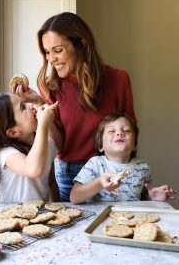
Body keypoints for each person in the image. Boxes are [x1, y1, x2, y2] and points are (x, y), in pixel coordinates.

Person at [11, 12, 137, 202]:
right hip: (69, 176)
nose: (51, 58)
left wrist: (135, 177)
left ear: (82, 45)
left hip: (111, 172)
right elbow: (59, 144)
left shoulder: (118, 79)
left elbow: (131, 134)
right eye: (47, 52)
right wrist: (39, 104)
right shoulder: (49, 86)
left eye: (58, 50)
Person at [70, 112, 176, 204]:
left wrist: (152, 196)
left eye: (127, 131)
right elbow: (74, 197)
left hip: (133, 221)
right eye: (111, 131)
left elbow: (142, 197)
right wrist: (99, 183)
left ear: (134, 145)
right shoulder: (95, 164)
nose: (120, 133)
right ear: (101, 145)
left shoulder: (143, 167)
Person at [0, 93, 60, 203]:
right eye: (23, 107)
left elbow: (58, 144)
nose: (30, 105)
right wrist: (43, 125)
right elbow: (34, 169)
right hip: (10, 216)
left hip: (40, 215)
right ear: (13, 132)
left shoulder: (43, 144)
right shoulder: (6, 153)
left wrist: (40, 103)